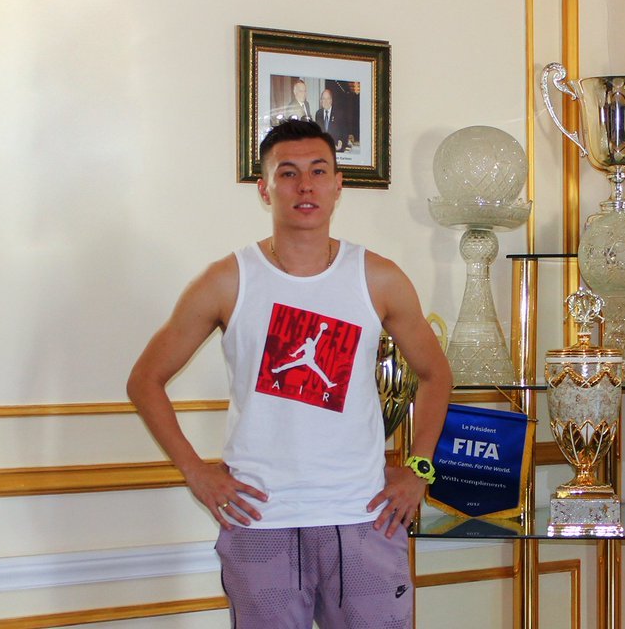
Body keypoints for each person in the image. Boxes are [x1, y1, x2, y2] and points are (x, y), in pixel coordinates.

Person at [127, 119, 452, 628]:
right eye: (288, 173)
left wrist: (419, 470)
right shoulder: (228, 280)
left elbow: (436, 375)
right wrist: (195, 472)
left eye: (319, 171)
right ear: (265, 188)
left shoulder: (378, 277)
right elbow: (145, 380)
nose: (305, 186)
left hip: (363, 518)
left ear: (338, 185)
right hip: (262, 523)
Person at [315, 88, 347, 152]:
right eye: (323, 99)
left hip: (336, 149)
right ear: (321, 101)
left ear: (331, 100)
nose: (325, 101)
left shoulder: (339, 114)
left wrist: (341, 142)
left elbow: (345, 133)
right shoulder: (318, 114)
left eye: (328, 98)